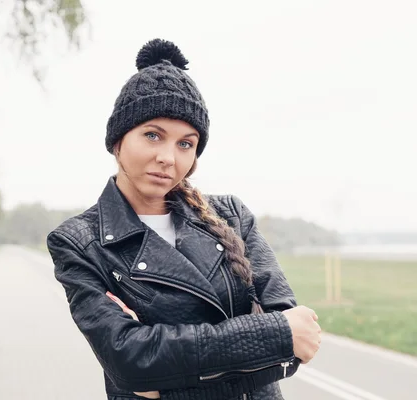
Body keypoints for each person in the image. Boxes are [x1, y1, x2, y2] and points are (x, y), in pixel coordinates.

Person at [46, 38, 321, 400]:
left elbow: (296, 338)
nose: (168, 157)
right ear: (117, 142)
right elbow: (130, 361)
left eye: (185, 143)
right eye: (152, 135)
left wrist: (166, 380)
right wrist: (264, 338)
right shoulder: (79, 242)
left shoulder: (232, 216)